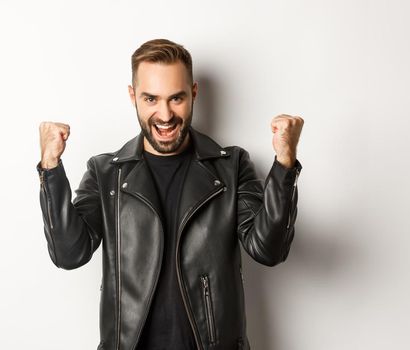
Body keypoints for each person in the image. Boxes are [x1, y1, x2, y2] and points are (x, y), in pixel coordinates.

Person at [36, 38, 304, 350]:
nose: (165, 115)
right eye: (151, 99)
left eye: (176, 99)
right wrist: (50, 168)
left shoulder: (231, 166)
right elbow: (69, 254)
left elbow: (268, 250)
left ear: (193, 93)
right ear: (133, 96)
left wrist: (285, 164)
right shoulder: (106, 172)